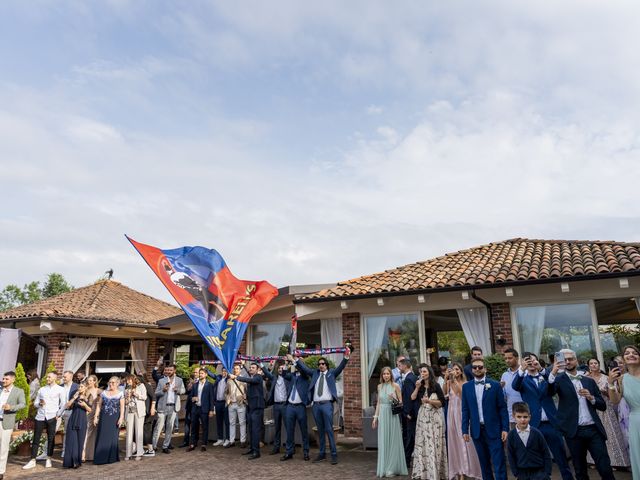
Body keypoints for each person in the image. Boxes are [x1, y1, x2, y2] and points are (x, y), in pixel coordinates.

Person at [548, 348, 614, 480]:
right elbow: (549, 392)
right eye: (565, 360)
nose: (568, 361)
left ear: (576, 360)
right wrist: (553, 372)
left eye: (570, 359)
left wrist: (592, 398)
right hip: (574, 432)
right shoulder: (558, 380)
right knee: (580, 470)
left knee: (605, 467)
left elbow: (602, 405)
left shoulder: (588, 380)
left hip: (593, 430)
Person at [511, 352, 573, 480]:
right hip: (534, 425)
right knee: (537, 457)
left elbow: (552, 389)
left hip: (551, 424)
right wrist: (522, 369)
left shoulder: (545, 376)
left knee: (561, 457)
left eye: (533, 360)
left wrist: (542, 370)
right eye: (528, 361)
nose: (531, 363)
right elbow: (515, 386)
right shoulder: (523, 379)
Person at [296, 349, 350, 465]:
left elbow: (341, 367)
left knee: (329, 430)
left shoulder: (331, 373)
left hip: (326, 405)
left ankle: (334, 455)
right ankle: (322, 454)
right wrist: (296, 359)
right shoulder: (315, 373)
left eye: (323, 364)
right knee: (320, 430)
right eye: (319, 364)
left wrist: (346, 357)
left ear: (327, 365)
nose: (321, 365)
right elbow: (305, 369)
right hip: (316, 406)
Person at [461, 357, 509, 480]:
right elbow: (465, 410)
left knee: (499, 464)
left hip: (494, 430)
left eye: (480, 367)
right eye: (475, 367)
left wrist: (505, 428)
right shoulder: (466, 387)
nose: (477, 369)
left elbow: (502, 408)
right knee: (484, 465)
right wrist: (465, 430)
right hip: (477, 431)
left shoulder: (495, 385)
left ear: (485, 369)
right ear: (471, 370)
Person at [585, 358, 630, 468]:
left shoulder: (606, 378)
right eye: (591, 363)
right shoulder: (585, 379)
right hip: (593, 410)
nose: (594, 365)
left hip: (606, 409)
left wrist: (605, 391)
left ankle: (616, 461)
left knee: (611, 435)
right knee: (595, 436)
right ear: (588, 366)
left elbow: (614, 395)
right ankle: (594, 461)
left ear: (599, 365)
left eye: (595, 363)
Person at [445, 362, 482, 480]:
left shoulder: (466, 384)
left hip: (462, 414)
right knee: (454, 442)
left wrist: (455, 382)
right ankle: (459, 470)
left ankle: (469, 469)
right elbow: (444, 394)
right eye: (453, 369)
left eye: (457, 369)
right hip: (451, 414)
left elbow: (462, 396)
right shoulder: (449, 382)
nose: (454, 371)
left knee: (466, 441)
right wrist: (447, 380)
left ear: (461, 371)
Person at [609, 345, 640, 480]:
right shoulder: (622, 379)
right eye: (627, 353)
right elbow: (615, 400)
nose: (631, 355)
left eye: (635, 353)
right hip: (635, 422)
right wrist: (610, 383)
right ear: (624, 359)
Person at [411, 364, 447, 479]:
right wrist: (416, 387)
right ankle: (424, 472)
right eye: (421, 372)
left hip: (434, 418)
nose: (423, 373)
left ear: (429, 373)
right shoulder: (420, 386)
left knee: (434, 443)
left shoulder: (435, 385)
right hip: (423, 417)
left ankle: (435, 472)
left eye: (425, 372)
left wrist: (429, 401)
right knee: (423, 444)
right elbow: (412, 398)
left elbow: (442, 403)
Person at [23, 371, 64, 470]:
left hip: (52, 416)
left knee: (51, 438)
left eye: (49, 377)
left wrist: (58, 414)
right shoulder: (42, 389)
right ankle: (32, 460)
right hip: (40, 416)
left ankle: (48, 458)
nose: (47, 379)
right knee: (36, 438)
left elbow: (63, 404)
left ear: (55, 378)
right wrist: (39, 404)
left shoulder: (60, 389)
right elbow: (36, 403)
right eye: (47, 377)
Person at [372, 366, 407, 477]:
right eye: (384, 374)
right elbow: (378, 403)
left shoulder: (395, 386)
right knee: (384, 440)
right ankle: (385, 466)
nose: (386, 376)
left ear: (391, 375)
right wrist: (375, 418)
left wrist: (394, 399)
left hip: (392, 416)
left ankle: (392, 468)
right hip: (382, 415)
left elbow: (401, 403)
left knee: (393, 440)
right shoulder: (379, 386)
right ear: (382, 376)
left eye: (388, 374)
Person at [229, 362, 267, 460]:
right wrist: (246, 396)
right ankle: (252, 448)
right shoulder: (252, 378)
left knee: (255, 430)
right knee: (250, 429)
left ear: (258, 369)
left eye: (253, 367)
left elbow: (250, 380)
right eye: (250, 367)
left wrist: (236, 377)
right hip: (251, 407)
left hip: (257, 408)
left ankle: (257, 452)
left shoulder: (258, 377)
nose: (251, 369)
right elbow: (252, 389)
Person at [507, 402, 552, 480]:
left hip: (539, 472)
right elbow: (511, 455)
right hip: (522, 473)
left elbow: (546, 453)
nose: (522, 420)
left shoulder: (537, 433)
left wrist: (547, 473)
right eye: (519, 417)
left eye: (525, 417)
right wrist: (516, 473)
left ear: (529, 417)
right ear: (514, 417)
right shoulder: (511, 435)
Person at [281, 354, 311, 462]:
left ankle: (306, 452)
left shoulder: (305, 375)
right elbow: (284, 374)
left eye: (300, 363)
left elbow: (303, 369)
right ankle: (289, 452)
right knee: (289, 431)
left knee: (304, 431)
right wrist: (285, 363)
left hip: (300, 407)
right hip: (290, 406)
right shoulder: (293, 375)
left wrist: (294, 360)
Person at [152, 363, 185, 454]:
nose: (168, 371)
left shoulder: (179, 380)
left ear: (174, 371)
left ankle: (165, 446)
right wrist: (163, 390)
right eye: (167, 370)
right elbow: (156, 393)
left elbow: (183, 390)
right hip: (163, 407)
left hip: (173, 407)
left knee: (169, 428)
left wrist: (177, 390)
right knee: (158, 427)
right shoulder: (161, 381)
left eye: (170, 370)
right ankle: (153, 446)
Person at [93, 376, 124, 465]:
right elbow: (99, 405)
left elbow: (122, 407)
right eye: (110, 382)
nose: (111, 384)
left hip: (114, 418)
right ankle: (100, 457)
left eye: (113, 383)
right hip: (104, 417)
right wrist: (96, 416)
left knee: (112, 437)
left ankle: (111, 458)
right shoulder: (104, 393)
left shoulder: (120, 394)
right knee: (102, 436)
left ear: (117, 384)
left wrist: (121, 418)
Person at [0, 371, 26, 479]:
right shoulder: (0, 389)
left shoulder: (18, 391)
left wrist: (11, 407)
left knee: (3, 447)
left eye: (6, 379)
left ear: (13, 380)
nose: (4, 381)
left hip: (6, 422)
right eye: (3, 379)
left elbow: (23, 404)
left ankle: (1, 471)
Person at [262, 361, 290, 455]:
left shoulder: (287, 379)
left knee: (288, 427)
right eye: (279, 368)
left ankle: (290, 447)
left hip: (285, 405)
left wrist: (287, 363)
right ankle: (276, 447)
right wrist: (261, 365)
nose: (280, 370)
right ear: (277, 370)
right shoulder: (274, 378)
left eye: (282, 368)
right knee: (277, 428)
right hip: (276, 406)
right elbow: (266, 373)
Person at [62, 382, 91, 469]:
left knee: (80, 442)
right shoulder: (74, 395)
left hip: (82, 420)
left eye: (82, 386)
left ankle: (77, 462)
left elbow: (90, 409)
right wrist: (73, 398)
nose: (79, 388)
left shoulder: (88, 397)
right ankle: (68, 462)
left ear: (85, 388)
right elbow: (67, 406)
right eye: (79, 387)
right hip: (73, 419)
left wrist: (85, 405)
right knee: (71, 441)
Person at [397, 358, 419, 468]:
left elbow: (410, 398)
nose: (398, 368)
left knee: (410, 437)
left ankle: (406, 462)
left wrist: (408, 412)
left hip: (411, 414)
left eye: (399, 366)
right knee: (410, 436)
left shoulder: (409, 379)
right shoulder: (412, 377)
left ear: (405, 366)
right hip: (411, 413)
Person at [189, 368, 214, 451]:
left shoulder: (209, 385)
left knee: (205, 427)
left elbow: (211, 398)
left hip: (205, 409)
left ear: (206, 375)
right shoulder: (195, 385)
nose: (200, 375)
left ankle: (204, 444)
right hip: (195, 408)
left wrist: (211, 410)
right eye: (200, 373)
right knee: (194, 426)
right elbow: (190, 396)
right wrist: (193, 398)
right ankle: (193, 443)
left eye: (202, 373)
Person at [124, 374, 147, 461]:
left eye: (129, 380)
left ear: (133, 380)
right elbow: (125, 402)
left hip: (139, 411)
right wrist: (127, 398)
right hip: (129, 410)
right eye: (127, 380)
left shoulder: (141, 386)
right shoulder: (126, 389)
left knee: (138, 431)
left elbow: (144, 397)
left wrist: (136, 394)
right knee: (129, 432)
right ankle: (128, 453)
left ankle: (139, 453)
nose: (127, 382)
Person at [225, 363, 248, 448]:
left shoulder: (243, 379)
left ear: (240, 370)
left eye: (237, 368)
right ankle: (232, 441)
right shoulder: (229, 380)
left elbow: (247, 390)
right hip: (231, 404)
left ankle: (243, 441)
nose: (235, 370)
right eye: (234, 369)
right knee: (231, 423)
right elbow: (226, 392)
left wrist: (246, 396)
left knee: (242, 423)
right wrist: (227, 399)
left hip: (240, 403)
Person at [501, 348, 523, 429]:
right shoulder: (504, 375)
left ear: (517, 358)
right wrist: (500, 389)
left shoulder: (525, 372)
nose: (507, 360)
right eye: (505, 358)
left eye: (510, 358)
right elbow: (504, 397)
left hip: (526, 414)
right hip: (512, 415)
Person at [59, 370, 79, 458]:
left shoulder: (76, 387)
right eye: (63, 377)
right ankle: (47, 451)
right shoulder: (60, 387)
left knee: (67, 432)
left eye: (65, 377)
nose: (63, 378)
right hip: (59, 411)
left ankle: (64, 450)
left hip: (70, 411)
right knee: (52, 431)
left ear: (71, 377)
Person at [83, 375, 101, 462]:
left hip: (95, 414)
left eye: (90, 381)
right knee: (86, 434)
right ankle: (84, 454)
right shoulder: (85, 390)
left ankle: (92, 455)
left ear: (94, 381)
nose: (89, 382)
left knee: (94, 434)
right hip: (86, 413)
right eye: (88, 380)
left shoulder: (99, 391)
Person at [211, 367, 230, 447]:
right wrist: (205, 369)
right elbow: (212, 375)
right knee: (219, 421)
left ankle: (227, 439)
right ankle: (220, 439)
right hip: (218, 402)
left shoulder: (229, 379)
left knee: (227, 422)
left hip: (225, 403)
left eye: (225, 371)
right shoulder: (218, 377)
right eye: (223, 371)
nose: (224, 372)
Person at [140, 375, 157, 457]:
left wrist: (152, 408)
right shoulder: (139, 387)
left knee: (147, 430)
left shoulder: (147, 386)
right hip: (143, 412)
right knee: (143, 430)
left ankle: (151, 450)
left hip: (148, 412)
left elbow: (154, 397)